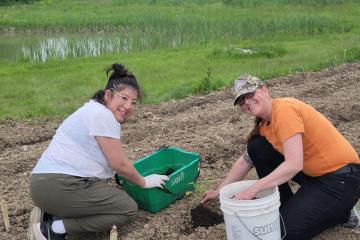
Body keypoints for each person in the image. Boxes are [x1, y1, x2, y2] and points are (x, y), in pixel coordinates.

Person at [201, 75, 360, 240]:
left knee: (280, 233)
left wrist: (253, 189)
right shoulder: (264, 126)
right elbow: (244, 161)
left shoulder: (285, 110)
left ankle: (341, 212)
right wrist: (218, 191)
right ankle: (290, 206)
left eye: (249, 94)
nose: (246, 102)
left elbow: (293, 164)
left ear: (265, 89)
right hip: (315, 177)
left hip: (342, 179)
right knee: (257, 147)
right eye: (241, 100)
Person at [28, 63, 169, 240]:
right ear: (108, 95)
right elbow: (119, 164)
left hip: (45, 184)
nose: (128, 106)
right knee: (126, 208)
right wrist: (143, 182)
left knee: (108, 195)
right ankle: (52, 229)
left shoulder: (92, 109)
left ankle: (53, 214)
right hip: (59, 186)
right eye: (124, 98)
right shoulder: (103, 116)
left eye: (133, 102)